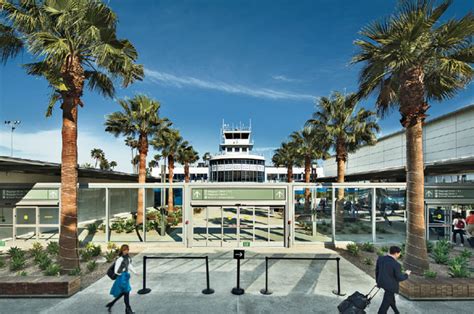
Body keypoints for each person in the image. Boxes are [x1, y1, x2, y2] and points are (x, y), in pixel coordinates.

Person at [375, 246, 410, 314]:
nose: (399, 255)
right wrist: (406, 274)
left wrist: (378, 282)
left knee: (390, 299)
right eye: (399, 253)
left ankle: (397, 312)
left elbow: (377, 271)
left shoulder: (380, 258)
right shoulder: (396, 265)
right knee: (383, 308)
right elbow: (399, 278)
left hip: (381, 282)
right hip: (390, 287)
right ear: (396, 253)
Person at [106, 244, 138, 314]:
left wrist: (135, 272)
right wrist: (121, 272)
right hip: (121, 278)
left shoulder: (128, 258)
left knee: (124, 293)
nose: (126, 251)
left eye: (127, 250)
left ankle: (112, 304)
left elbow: (129, 265)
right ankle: (128, 310)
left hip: (125, 277)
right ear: (122, 250)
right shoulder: (119, 259)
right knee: (126, 293)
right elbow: (116, 271)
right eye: (124, 250)